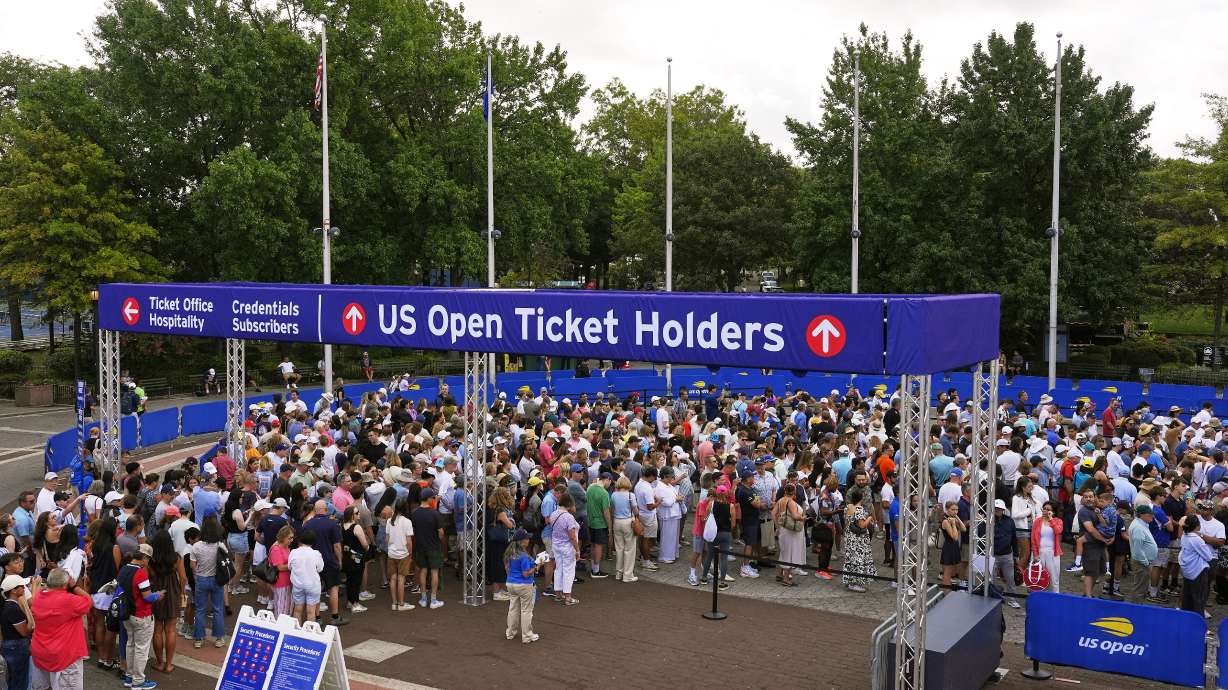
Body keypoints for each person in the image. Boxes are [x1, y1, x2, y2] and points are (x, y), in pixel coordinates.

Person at [30, 568, 91, 690]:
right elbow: (88, 601)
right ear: (65, 584)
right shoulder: (69, 600)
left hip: (41, 652)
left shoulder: (38, 597)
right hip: (65, 656)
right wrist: (74, 587)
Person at [119, 543, 165, 690]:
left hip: (127, 613)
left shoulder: (124, 569)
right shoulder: (140, 573)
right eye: (148, 559)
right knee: (141, 648)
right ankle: (138, 681)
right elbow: (147, 597)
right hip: (141, 615)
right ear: (144, 558)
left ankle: (129, 676)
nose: (148, 562)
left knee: (130, 644)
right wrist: (158, 595)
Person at [148, 530, 184, 674]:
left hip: (155, 591)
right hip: (172, 591)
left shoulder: (151, 559)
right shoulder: (176, 557)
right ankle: (169, 664)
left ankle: (160, 662)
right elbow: (183, 577)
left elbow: (148, 574)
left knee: (157, 628)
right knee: (171, 629)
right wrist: (181, 592)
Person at [189, 516, 227, 649]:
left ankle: (199, 639)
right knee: (217, 609)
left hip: (201, 579)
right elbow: (225, 562)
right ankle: (219, 638)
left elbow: (192, 565)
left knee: (200, 609)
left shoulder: (197, 546)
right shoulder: (220, 545)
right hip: (217, 580)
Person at [503, 529, 540, 644]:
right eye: (527, 538)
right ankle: (527, 635)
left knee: (513, 608)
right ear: (522, 541)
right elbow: (525, 573)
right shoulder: (523, 556)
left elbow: (507, 568)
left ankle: (510, 633)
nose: (529, 540)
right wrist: (536, 568)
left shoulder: (509, 553)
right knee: (526, 610)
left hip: (511, 583)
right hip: (524, 585)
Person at [410, 489, 445, 609]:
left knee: (423, 571)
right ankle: (433, 599)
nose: (434, 499)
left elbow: (412, 531)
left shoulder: (414, 513)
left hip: (420, 546)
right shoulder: (434, 513)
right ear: (429, 498)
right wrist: (437, 539)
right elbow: (441, 532)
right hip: (433, 546)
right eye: (433, 497)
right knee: (434, 572)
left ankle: (424, 598)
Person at [1, 573, 33, 690]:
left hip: (9, 646)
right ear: (13, 590)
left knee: (13, 679)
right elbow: (25, 632)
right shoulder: (13, 608)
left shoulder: (7, 605)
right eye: (22, 586)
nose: (24, 588)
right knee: (19, 681)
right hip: (17, 647)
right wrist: (30, 622)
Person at [1179, 514, 1215, 615]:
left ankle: (1186, 620)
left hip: (1187, 571)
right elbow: (1208, 557)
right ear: (1197, 526)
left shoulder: (1184, 536)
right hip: (1198, 571)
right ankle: (1199, 624)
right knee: (1199, 599)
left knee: (1187, 598)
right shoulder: (1196, 539)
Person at [842, 487, 877, 592]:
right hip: (858, 540)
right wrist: (870, 518)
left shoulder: (848, 507)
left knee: (851, 559)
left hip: (849, 538)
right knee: (858, 560)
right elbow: (862, 525)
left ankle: (850, 581)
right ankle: (855, 583)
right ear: (861, 498)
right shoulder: (859, 510)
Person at [548, 494, 581, 606]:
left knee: (559, 569)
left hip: (556, 545)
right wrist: (577, 550)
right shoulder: (569, 517)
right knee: (569, 571)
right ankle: (568, 597)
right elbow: (572, 536)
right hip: (567, 547)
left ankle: (558, 594)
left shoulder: (553, 514)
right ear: (569, 504)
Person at [384, 499, 415, 612]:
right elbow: (409, 541)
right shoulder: (407, 522)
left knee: (393, 578)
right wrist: (410, 553)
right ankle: (401, 604)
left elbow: (386, 539)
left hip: (392, 553)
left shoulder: (389, 521)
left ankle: (394, 603)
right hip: (403, 553)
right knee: (401, 578)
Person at [773, 483, 805, 586]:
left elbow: (773, 513)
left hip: (784, 529)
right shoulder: (790, 502)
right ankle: (786, 579)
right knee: (790, 553)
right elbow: (795, 516)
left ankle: (779, 574)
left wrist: (778, 525)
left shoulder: (780, 500)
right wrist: (803, 518)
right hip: (791, 531)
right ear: (794, 492)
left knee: (784, 551)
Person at [701, 485, 734, 588]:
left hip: (713, 533)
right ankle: (722, 583)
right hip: (725, 533)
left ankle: (704, 578)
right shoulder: (731, 506)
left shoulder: (711, 503)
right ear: (726, 494)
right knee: (723, 558)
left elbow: (704, 518)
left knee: (710, 556)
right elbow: (733, 524)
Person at [289, 529, 324, 624]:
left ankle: (297, 632)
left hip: (297, 584)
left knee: (297, 610)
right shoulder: (316, 554)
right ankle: (310, 634)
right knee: (311, 612)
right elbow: (320, 569)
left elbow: (289, 567)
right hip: (313, 585)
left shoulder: (293, 552)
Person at [340, 506, 370, 614]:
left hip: (347, 556)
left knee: (349, 580)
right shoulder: (356, 527)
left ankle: (350, 601)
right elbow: (364, 543)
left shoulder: (342, 526)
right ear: (352, 515)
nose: (359, 515)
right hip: (357, 556)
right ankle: (355, 603)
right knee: (356, 580)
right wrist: (367, 548)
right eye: (357, 513)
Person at [1124, 505, 1157, 601]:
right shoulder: (1138, 527)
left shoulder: (1141, 524)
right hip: (1141, 562)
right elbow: (1138, 549)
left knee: (1141, 587)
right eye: (1149, 514)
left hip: (1142, 562)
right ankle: (1135, 609)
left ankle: (1136, 607)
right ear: (1142, 515)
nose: (1152, 516)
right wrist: (1146, 562)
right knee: (1140, 588)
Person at [1030, 501, 1063, 593]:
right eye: (1044, 509)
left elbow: (1058, 531)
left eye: (1048, 509)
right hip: (1040, 552)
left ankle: (1055, 600)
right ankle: (1039, 599)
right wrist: (1035, 554)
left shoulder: (1058, 521)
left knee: (1054, 579)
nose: (1045, 511)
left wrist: (1051, 519)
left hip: (1053, 553)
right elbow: (1033, 539)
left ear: (1053, 512)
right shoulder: (1037, 521)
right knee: (1038, 578)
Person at [609, 478, 638, 582]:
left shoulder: (613, 495)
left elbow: (611, 509)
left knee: (619, 548)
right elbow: (635, 511)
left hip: (617, 522)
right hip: (628, 522)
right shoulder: (631, 495)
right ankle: (627, 575)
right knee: (629, 549)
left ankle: (618, 573)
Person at [268, 526, 294, 617]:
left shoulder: (286, 547)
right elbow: (280, 567)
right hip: (281, 582)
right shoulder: (276, 549)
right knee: (281, 608)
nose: (292, 540)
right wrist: (293, 565)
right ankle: (279, 628)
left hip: (287, 581)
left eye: (292, 537)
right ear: (283, 537)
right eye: (290, 538)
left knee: (287, 607)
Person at [939, 501, 965, 591]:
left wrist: (957, 518)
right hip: (949, 547)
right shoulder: (946, 521)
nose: (955, 511)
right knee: (947, 572)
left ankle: (949, 591)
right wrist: (954, 524)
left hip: (955, 547)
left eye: (957, 510)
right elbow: (954, 537)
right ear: (947, 509)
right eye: (953, 509)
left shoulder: (954, 518)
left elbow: (964, 529)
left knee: (954, 569)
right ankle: (946, 593)